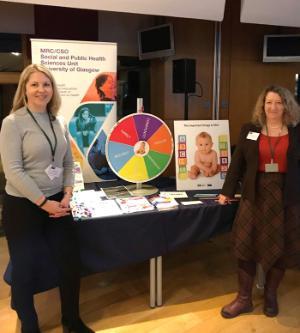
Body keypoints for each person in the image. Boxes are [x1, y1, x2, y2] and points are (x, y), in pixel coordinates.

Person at [0, 64, 94, 333]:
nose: (41, 90)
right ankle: (29, 325)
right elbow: (13, 171)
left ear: (53, 89)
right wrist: (43, 202)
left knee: (70, 263)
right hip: (23, 206)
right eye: (35, 85)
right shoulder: (13, 123)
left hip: (58, 202)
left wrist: (67, 193)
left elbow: (67, 162)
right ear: (25, 89)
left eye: (47, 84)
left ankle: (71, 321)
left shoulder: (59, 121)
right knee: (25, 268)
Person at [218, 85, 300, 319]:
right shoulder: (250, 130)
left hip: (287, 195)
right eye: (269, 102)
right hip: (255, 193)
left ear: (287, 105)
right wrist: (228, 190)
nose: (273, 107)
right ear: (262, 106)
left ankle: (271, 295)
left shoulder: (297, 131)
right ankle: (243, 299)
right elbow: (238, 164)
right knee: (246, 246)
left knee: (280, 247)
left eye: (279, 102)